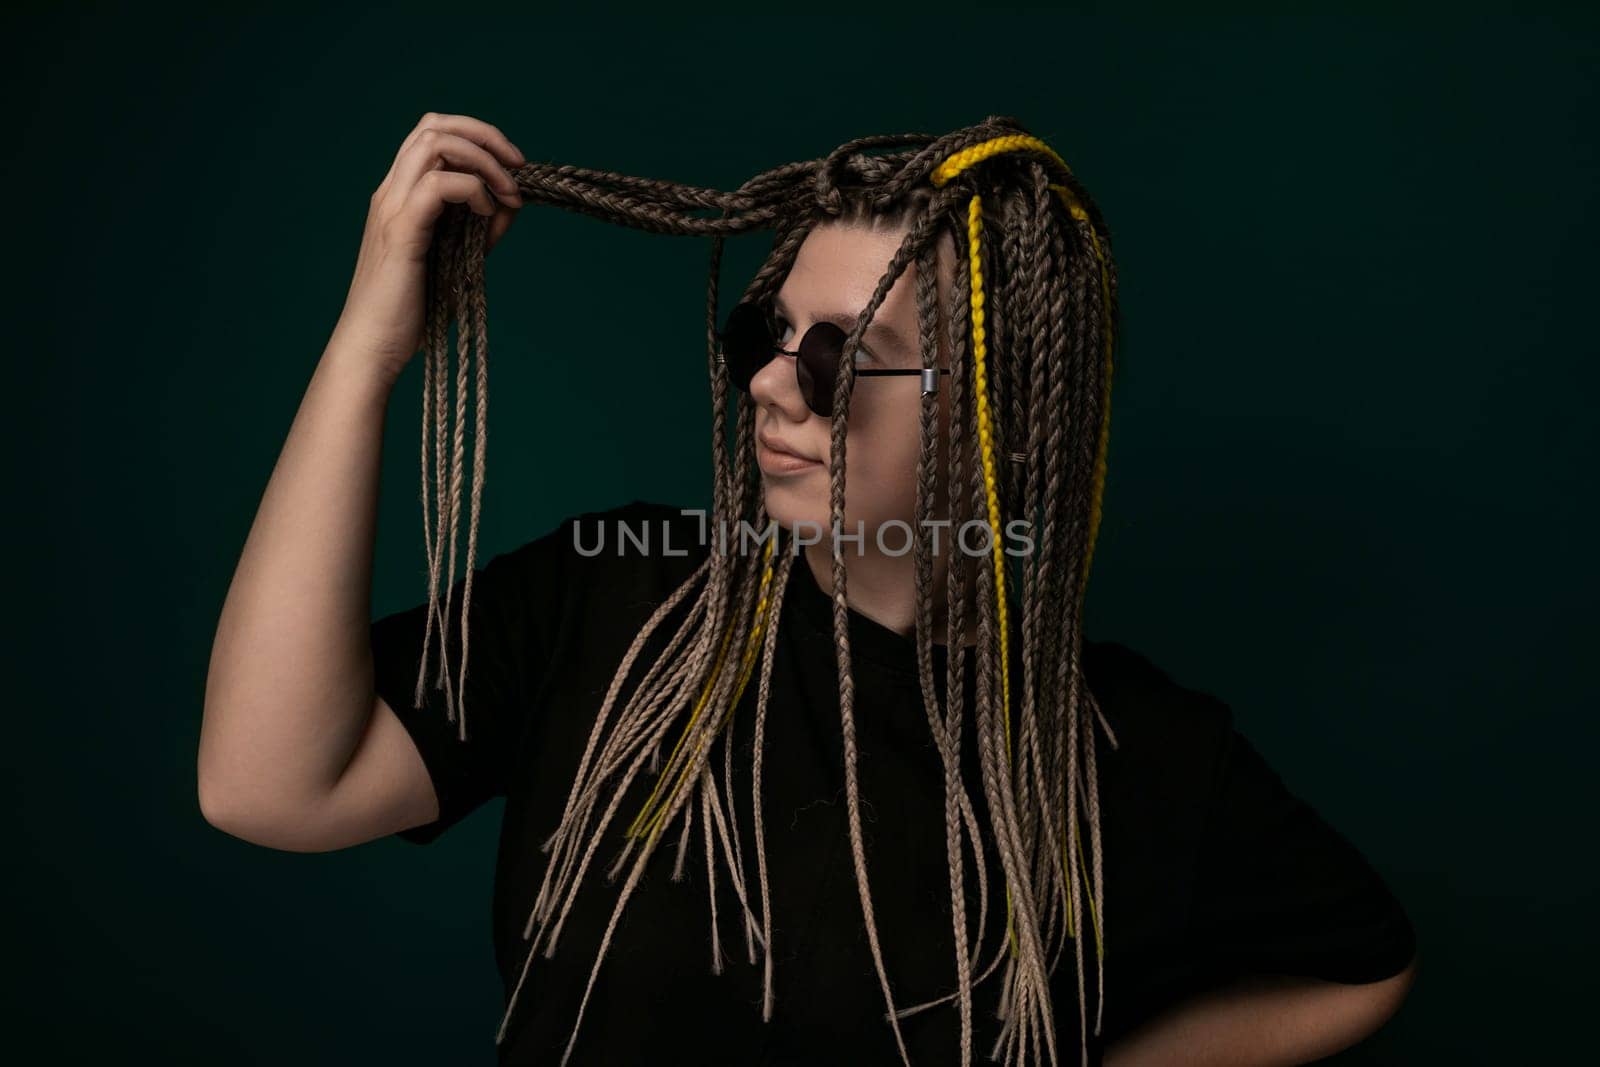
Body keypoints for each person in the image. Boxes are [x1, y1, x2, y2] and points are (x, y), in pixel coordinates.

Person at [198, 112, 1419, 1067]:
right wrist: (367, 348)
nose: (773, 388)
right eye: (764, 336)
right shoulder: (617, 603)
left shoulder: (1128, 751)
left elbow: (1360, 964)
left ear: (995, 406)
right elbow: (269, 786)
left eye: (839, 354)